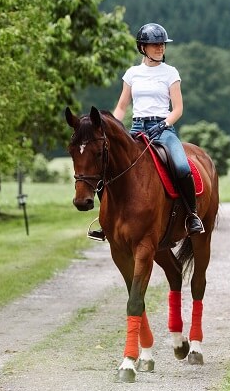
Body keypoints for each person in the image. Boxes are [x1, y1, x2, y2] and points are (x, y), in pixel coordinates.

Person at [87, 22, 204, 241]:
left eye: (162, 44)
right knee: (106, 168)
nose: (160, 48)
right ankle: (107, 221)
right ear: (143, 47)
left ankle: (191, 215)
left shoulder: (171, 73)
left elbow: (178, 108)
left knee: (180, 165)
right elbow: (122, 106)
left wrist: (164, 124)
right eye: (155, 44)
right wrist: (109, 128)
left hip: (163, 128)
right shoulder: (132, 74)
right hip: (137, 128)